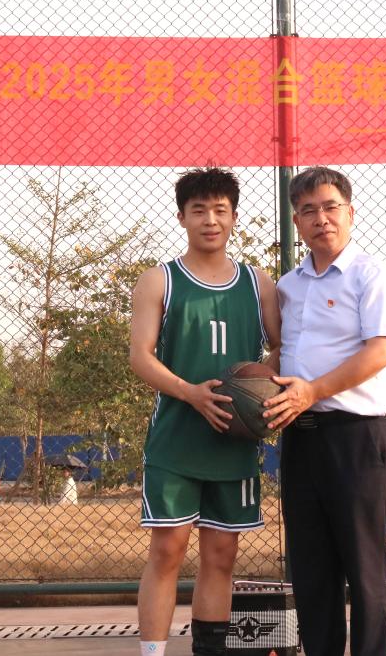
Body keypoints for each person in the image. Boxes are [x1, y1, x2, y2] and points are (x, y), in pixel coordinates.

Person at [130, 167, 281, 656]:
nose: (210, 220)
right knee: (167, 552)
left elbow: (282, 348)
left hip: (234, 444)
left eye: (220, 210)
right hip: (176, 440)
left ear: (234, 217)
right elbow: (140, 357)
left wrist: (257, 388)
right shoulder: (160, 280)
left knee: (222, 554)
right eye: (199, 211)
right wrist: (190, 392)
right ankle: (153, 652)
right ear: (182, 217)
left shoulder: (259, 283)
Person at [263, 166, 386, 656]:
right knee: (310, 566)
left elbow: (380, 351)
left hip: (357, 436)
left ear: (350, 212)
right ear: (296, 222)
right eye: (308, 210)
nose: (320, 218)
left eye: (330, 207)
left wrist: (313, 391)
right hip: (300, 436)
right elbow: (283, 354)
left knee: (363, 565)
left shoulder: (371, 276)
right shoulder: (288, 286)